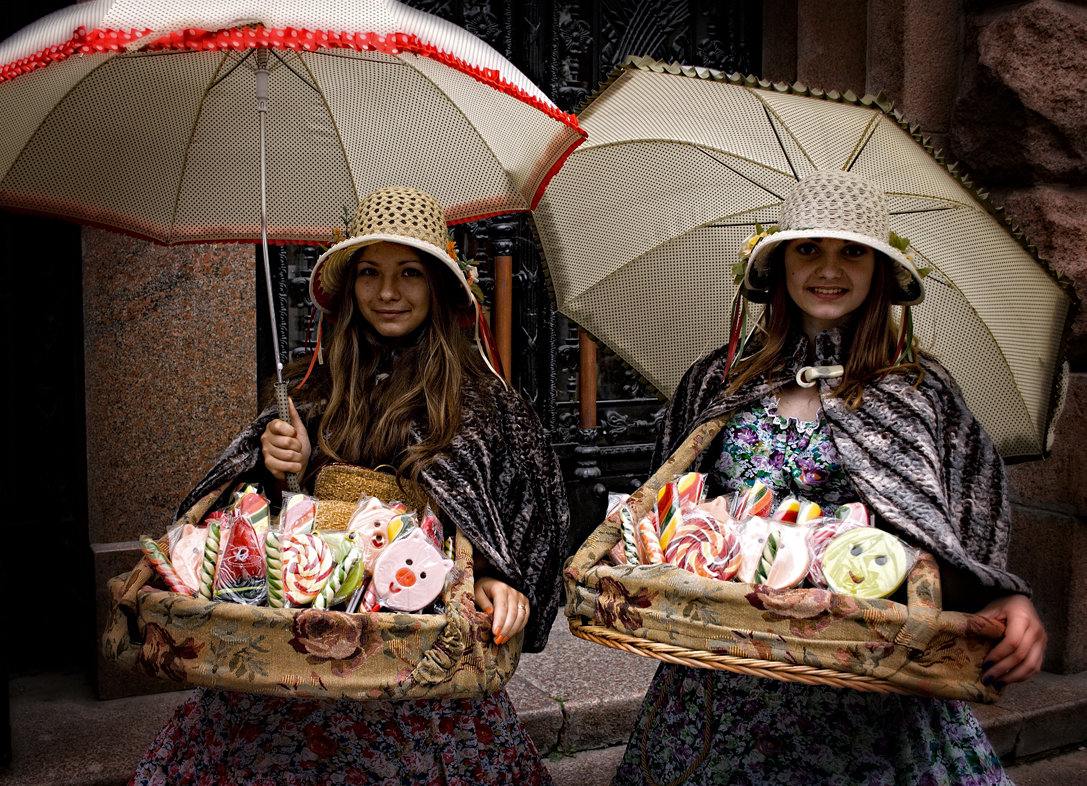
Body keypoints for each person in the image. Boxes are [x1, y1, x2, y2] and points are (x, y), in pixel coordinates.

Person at [612, 169, 1047, 785]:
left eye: (852, 252)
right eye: (808, 248)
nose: (829, 269)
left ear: (879, 272)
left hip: (871, 683)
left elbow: (970, 525)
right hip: (725, 681)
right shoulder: (719, 381)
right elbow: (662, 509)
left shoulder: (921, 392)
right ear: (780, 263)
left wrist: (1006, 595)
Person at [132, 186, 569, 785]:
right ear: (349, 286)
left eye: (409, 273)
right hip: (300, 640)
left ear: (441, 285)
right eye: (370, 273)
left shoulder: (487, 402)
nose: (387, 293)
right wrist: (287, 468)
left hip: (418, 645)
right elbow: (244, 515)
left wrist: (494, 572)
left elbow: (518, 511)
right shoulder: (312, 391)